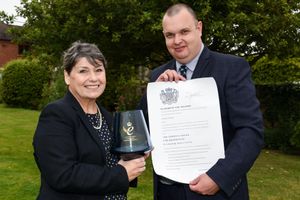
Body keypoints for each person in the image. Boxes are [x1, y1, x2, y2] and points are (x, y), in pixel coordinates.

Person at [138, 3, 264, 200]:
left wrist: (219, 177)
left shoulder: (231, 68)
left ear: (199, 28)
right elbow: (143, 129)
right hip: (168, 192)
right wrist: (154, 93)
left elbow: (251, 131)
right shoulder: (158, 75)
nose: (177, 40)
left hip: (217, 193)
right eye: (169, 35)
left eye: (184, 32)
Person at [33, 41, 148, 200]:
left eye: (98, 70)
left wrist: (135, 155)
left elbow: (110, 161)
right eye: (83, 71)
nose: (93, 78)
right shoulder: (56, 115)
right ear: (67, 76)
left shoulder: (108, 117)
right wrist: (121, 174)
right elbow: (62, 174)